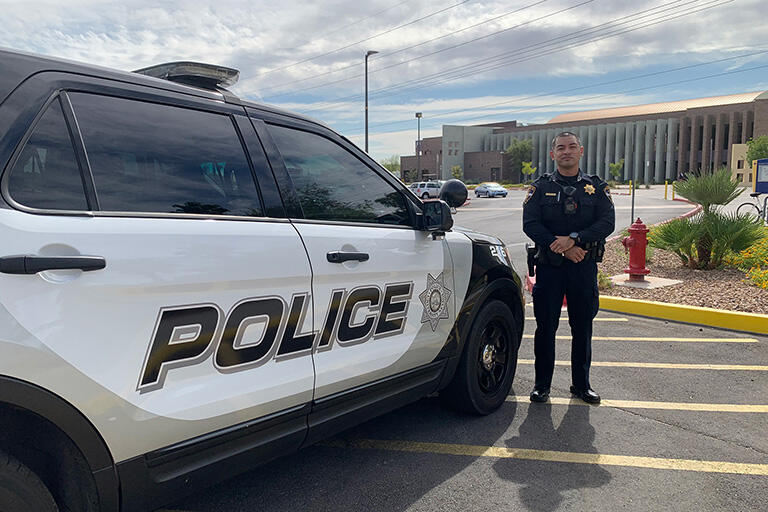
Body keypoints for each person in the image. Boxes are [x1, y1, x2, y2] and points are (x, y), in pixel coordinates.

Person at [522, 132, 615, 404]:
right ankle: (542, 385)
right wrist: (559, 245)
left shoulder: (596, 187)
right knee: (546, 327)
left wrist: (575, 239)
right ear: (553, 154)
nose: (566, 151)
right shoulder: (540, 188)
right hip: (550, 268)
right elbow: (530, 224)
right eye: (561, 148)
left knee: (582, 327)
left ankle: (581, 385)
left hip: (582, 268)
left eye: (572, 147)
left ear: (581, 151)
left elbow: (607, 223)